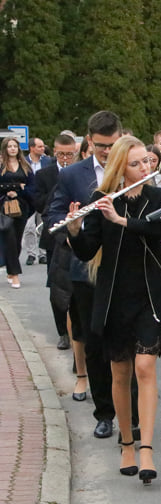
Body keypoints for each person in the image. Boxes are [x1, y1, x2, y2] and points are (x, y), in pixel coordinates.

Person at [67, 135, 161, 486]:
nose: (145, 168)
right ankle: (126, 443)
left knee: (145, 367)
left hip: (148, 295)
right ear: (120, 168)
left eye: (147, 161)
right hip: (114, 297)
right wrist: (73, 231)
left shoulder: (158, 196)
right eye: (137, 164)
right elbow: (87, 251)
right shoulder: (101, 200)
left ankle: (146, 448)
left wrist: (123, 221)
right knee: (120, 373)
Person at [46, 111, 136, 439]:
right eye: (100, 146)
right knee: (96, 344)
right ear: (89, 140)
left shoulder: (134, 168)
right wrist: (76, 228)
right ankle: (105, 413)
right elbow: (53, 213)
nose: (107, 152)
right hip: (86, 270)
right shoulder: (73, 175)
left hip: (126, 268)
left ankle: (135, 413)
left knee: (129, 341)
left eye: (112, 145)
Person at [33, 134, 77, 353]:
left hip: (77, 235)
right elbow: (40, 204)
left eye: (70, 154)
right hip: (54, 238)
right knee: (57, 287)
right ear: (55, 152)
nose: (66, 157)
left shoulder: (81, 172)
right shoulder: (45, 174)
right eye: (61, 154)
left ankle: (77, 328)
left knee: (77, 286)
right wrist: (60, 185)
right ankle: (62, 332)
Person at [0, 136, 34, 288]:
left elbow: (32, 187)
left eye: (15, 146)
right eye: (9, 146)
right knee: (9, 236)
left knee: (18, 239)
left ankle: (10, 267)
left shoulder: (25, 166)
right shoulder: (1, 166)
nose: (12, 148)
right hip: (4, 205)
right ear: (5, 149)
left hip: (22, 206)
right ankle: (15, 274)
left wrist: (21, 190)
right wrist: (11, 188)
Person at [23, 137, 50, 265]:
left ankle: (42, 253)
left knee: (42, 225)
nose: (42, 148)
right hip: (28, 198)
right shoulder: (23, 161)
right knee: (29, 227)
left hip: (42, 198)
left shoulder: (48, 161)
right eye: (39, 146)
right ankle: (31, 254)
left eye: (43, 146)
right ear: (32, 148)